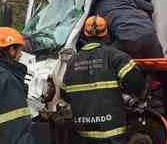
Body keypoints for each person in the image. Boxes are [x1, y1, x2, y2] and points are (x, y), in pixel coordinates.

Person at [61, 16, 145, 144]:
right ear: (106, 34)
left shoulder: (72, 62)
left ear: (85, 34)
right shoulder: (116, 57)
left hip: (83, 133)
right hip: (112, 133)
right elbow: (137, 83)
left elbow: (65, 94)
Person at [94, 0, 163, 59]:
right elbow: (150, 7)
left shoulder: (98, 9)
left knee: (106, 56)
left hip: (127, 39)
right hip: (150, 35)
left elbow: (106, 36)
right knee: (160, 65)